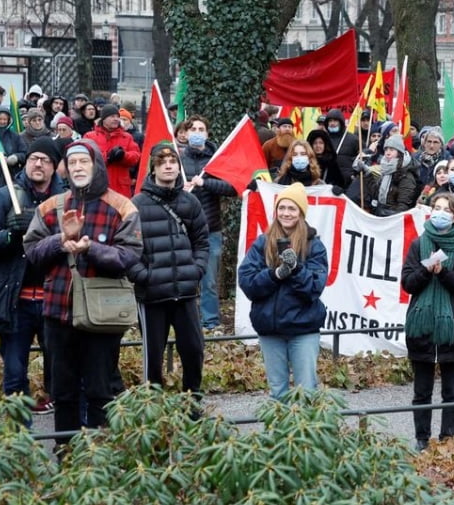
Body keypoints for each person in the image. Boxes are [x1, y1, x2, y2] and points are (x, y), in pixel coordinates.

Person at [23, 140, 143, 444]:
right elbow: (32, 252)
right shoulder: (50, 206)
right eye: (72, 163)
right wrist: (59, 241)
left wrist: (92, 248)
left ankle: (97, 461)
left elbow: (129, 257)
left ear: (96, 165)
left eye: (83, 162)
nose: (77, 168)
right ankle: (66, 459)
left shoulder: (122, 206)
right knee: (62, 392)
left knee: (100, 391)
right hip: (57, 314)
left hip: (101, 316)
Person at [0, 138, 66, 415]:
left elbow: (75, 242)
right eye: (33, 158)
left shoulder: (65, 200)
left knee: (62, 375)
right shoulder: (5, 197)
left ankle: (66, 443)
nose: (38, 164)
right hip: (15, 302)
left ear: (55, 167)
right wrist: (9, 235)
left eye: (45, 160)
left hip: (56, 300)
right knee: (15, 375)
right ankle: (21, 444)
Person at [129, 143, 208, 398]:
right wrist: (144, 276)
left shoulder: (190, 202)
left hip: (185, 292)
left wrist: (196, 270)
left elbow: (202, 242)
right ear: (153, 167)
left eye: (172, 161)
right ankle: (154, 407)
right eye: (162, 161)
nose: (168, 166)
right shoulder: (137, 204)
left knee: (193, 350)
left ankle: (192, 402)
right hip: (152, 295)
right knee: (153, 358)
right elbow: (128, 248)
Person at [238, 182, 328, 399]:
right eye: (282, 208)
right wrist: (274, 275)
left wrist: (296, 269)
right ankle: (280, 434)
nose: (286, 213)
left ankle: (305, 434)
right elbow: (248, 282)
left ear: (301, 213)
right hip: (270, 329)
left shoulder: (314, 246)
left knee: (306, 392)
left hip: (303, 329)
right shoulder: (262, 243)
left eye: (291, 208)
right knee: (278, 393)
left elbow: (314, 288)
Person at [401, 192, 454, 450]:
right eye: (436, 207)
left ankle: (447, 440)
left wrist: (442, 272)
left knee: (451, 391)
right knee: (421, 392)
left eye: (446, 209)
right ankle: (422, 439)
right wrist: (425, 270)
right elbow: (408, 283)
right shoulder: (418, 243)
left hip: (452, 326)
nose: (440, 213)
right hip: (421, 327)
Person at [179, 115, 238, 332]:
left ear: (207, 134)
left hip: (210, 229)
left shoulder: (216, 160)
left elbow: (232, 188)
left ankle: (210, 322)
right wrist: (178, 187)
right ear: (185, 133)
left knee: (209, 280)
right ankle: (184, 321)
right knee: (182, 277)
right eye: (192, 128)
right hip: (182, 229)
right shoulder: (178, 159)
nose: (196, 132)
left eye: (200, 128)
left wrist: (205, 183)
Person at [350, 134, 418, 216]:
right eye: (386, 149)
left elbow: (403, 205)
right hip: (380, 214)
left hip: (392, 218)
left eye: (392, 150)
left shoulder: (406, 176)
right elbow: (377, 194)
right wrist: (367, 174)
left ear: (399, 153)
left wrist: (390, 218)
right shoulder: (386, 171)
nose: (388, 153)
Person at [83, 104, 141, 198]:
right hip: (98, 187)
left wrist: (123, 156)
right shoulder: (90, 137)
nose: (116, 119)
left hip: (121, 189)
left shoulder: (127, 137)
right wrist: (108, 157)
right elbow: (86, 157)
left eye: (117, 117)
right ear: (103, 119)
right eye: (112, 116)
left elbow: (136, 156)